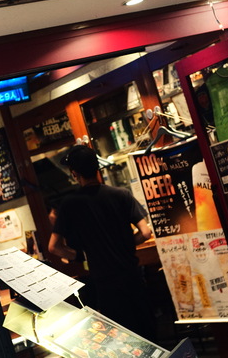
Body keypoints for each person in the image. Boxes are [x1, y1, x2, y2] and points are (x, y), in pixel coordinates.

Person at [48, 144, 158, 341]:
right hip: (133, 278)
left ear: (74, 174)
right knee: (149, 336)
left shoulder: (70, 204)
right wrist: (125, 246)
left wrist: (81, 256)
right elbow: (145, 232)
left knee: (124, 342)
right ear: (97, 167)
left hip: (106, 285)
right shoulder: (121, 195)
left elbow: (54, 247)